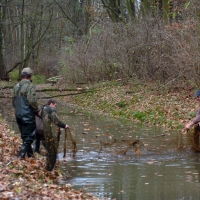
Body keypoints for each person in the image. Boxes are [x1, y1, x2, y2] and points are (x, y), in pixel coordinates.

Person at [12, 67, 39, 159]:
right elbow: (32, 101)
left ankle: (31, 156)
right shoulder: (29, 86)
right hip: (27, 114)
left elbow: (13, 102)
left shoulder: (16, 86)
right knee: (30, 136)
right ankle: (20, 156)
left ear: (22, 75)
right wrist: (37, 111)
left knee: (25, 136)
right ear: (30, 76)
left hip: (18, 114)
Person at [41, 99, 69, 171]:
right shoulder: (51, 110)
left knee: (49, 151)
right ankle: (49, 170)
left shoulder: (42, 109)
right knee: (53, 152)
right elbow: (56, 121)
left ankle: (47, 166)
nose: (55, 107)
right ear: (51, 104)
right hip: (49, 134)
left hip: (41, 133)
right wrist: (64, 125)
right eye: (55, 105)